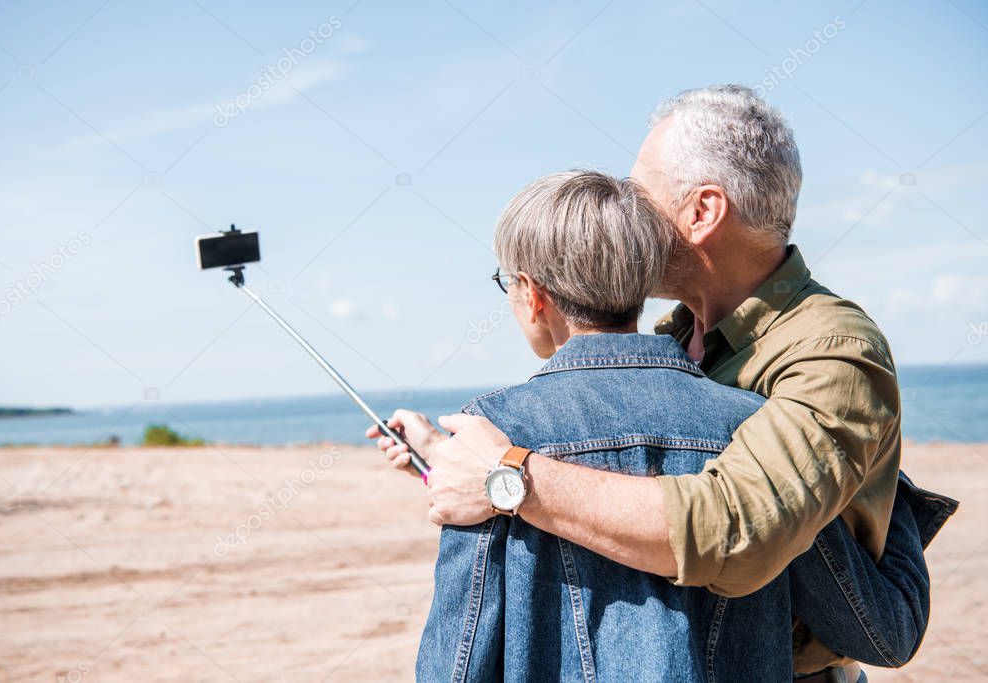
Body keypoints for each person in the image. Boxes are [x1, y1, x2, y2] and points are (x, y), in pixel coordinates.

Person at [371, 86, 957, 681]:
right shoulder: (673, 338)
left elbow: (737, 531)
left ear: (702, 212)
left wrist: (508, 478)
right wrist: (450, 454)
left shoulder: (831, 348)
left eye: (638, 194)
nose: (621, 212)